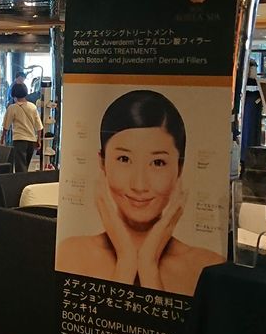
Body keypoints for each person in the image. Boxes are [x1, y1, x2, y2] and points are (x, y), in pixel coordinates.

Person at [55, 90, 224, 294]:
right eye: (124, 159)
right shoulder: (72, 254)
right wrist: (126, 260)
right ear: (102, 162)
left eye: (158, 162)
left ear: (179, 167)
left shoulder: (206, 266)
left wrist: (148, 263)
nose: (139, 185)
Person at [2, 82, 42, 172]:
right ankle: (25, 180)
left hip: (19, 140)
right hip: (31, 141)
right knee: (26, 166)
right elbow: (39, 126)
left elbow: (6, 126)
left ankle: (21, 181)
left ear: (14, 93)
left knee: (20, 168)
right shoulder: (33, 107)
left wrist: (2, 138)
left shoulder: (12, 108)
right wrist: (39, 140)